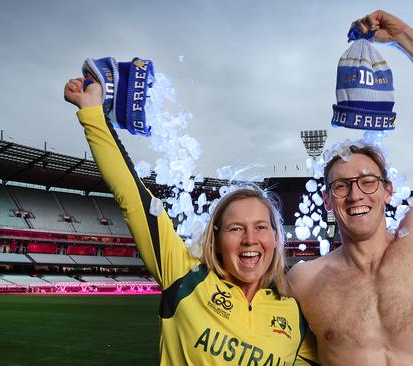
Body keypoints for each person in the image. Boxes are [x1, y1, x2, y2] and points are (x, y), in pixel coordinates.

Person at [287, 10, 413, 366]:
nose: (355, 195)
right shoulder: (304, 280)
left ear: (387, 190)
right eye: (341, 186)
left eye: (367, 181)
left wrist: (403, 39)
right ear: (325, 200)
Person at [64, 78, 317, 365]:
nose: (250, 239)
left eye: (261, 227)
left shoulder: (294, 315)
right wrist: (92, 112)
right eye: (236, 228)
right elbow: (133, 199)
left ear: (274, 238)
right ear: (217, 240)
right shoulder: (183, 276)